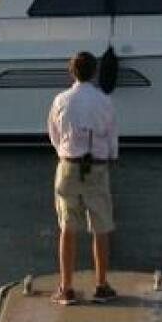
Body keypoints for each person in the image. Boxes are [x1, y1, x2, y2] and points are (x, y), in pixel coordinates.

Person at [46, 51, 119, 305]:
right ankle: (101, 285)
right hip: (96, 167)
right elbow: (111, 136)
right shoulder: (105, 101)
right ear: (95, 72)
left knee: (67, 227)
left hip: (68, 166)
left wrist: (65, 153)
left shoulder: (60, 100)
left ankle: (66, 288)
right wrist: (110, 157)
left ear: (72, 72)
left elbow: (54, 134)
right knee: (101, 228)